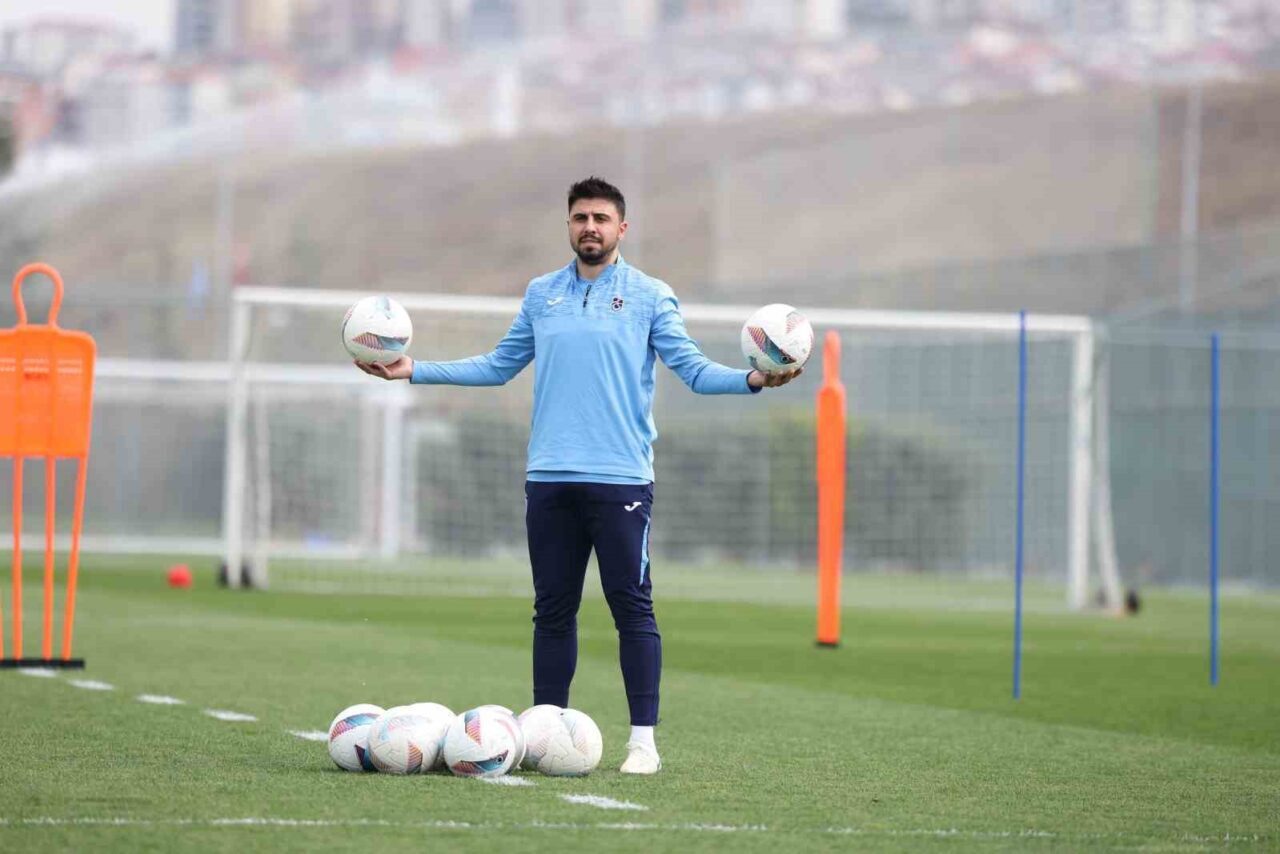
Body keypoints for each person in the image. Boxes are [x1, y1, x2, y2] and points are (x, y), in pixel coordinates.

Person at [357, 176, 801, 774]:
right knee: (552, 610)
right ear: (568, 226)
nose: (589, 227)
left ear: (622, 228)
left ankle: (643, 742)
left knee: (631, 607)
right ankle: (543, 734)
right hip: (549, 478)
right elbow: (497, 366)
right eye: (579, 218)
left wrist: (752, 380)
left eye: (600, 218)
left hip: (620, 479)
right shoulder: (542, 294)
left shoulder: (650, 295)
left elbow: (693, 371)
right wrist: (415, 368)